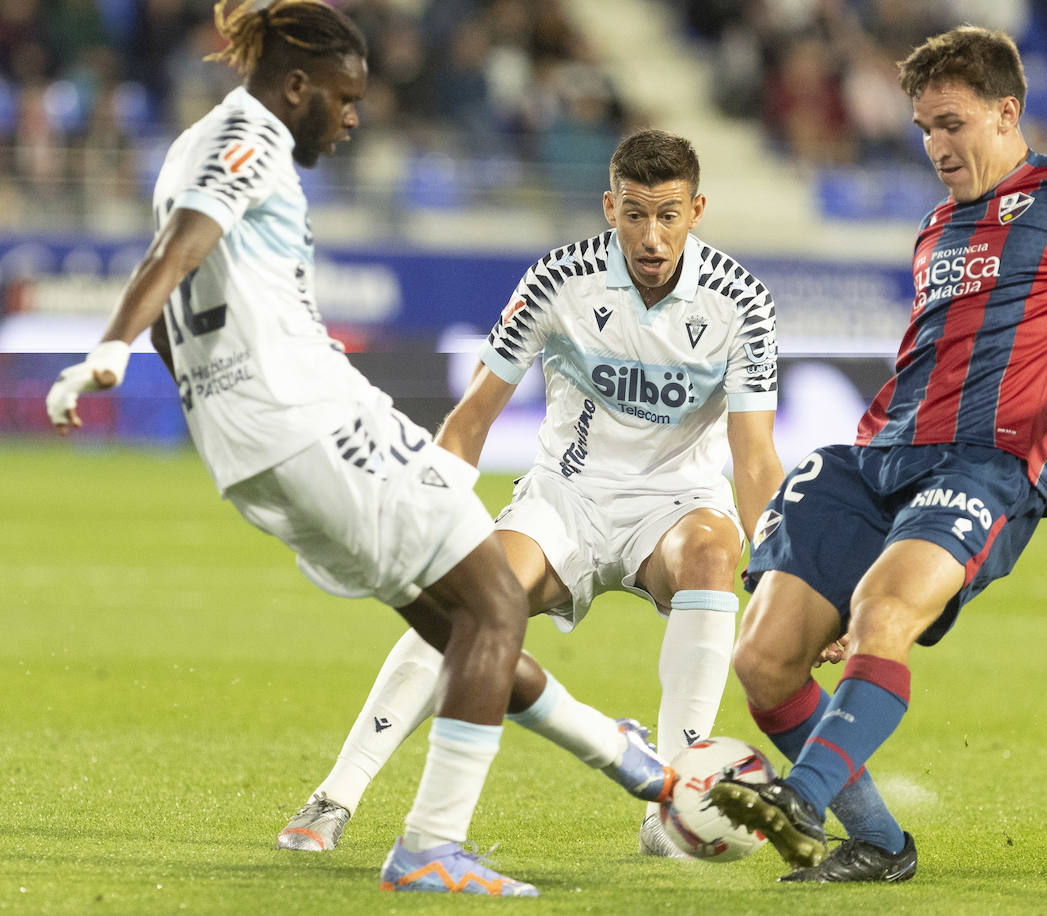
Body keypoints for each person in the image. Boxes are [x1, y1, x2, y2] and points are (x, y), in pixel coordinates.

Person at [44, 0, 668, 897]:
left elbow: (182, 307)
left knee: (459, 625)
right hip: (312, 418)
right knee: (495, 601)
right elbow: (180, 254)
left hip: (254, 447)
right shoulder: (248, 136)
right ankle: (432, 846)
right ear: (294, 86)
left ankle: (628, 762)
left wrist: (219, 417)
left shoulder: (188, 148)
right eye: (341, 97)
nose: (352, 117)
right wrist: (108, 348)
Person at [707, 25, 1047, 882]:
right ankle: (877, 841)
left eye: (950, 123)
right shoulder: (936, 227)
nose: (936, 146)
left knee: (883, 614)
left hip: (987, 462)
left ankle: (798, 800)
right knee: (763, 659)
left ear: (1005, 111)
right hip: (875, 457)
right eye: (923, 130)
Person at [275, 127, 785, 858]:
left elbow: (756, 460)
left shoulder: (742, 302)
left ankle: (674, 801)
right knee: (469, 607)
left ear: (696, 210)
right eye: (635, 213)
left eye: (668, 214)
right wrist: (434, 521)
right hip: (565, 498)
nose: (650, 234)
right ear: (609, 206)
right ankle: (336, 795)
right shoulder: (557, 279)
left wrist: (777, 576)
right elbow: (472, 415)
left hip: (676, 506)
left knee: (713, 550)